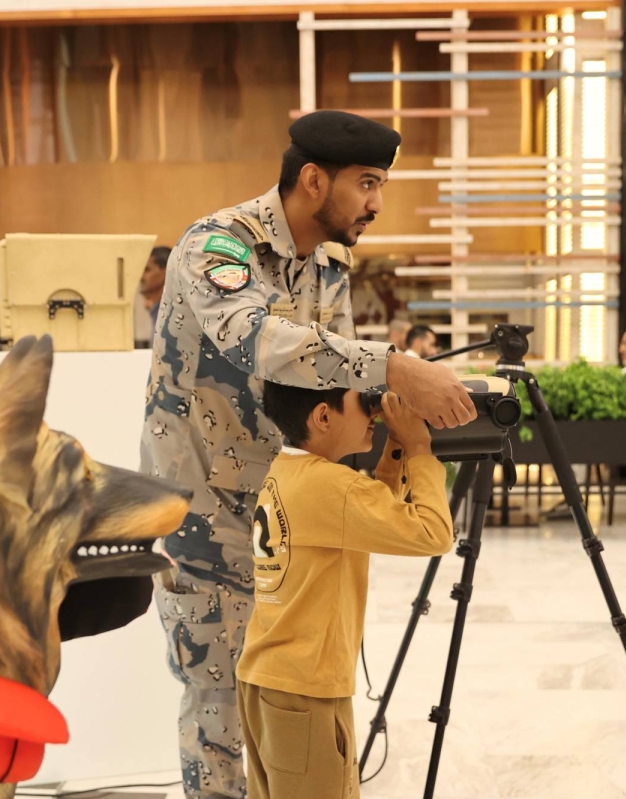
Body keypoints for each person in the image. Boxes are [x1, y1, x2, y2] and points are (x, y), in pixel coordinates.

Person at [140, 110, 475, 799]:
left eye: (381, 186)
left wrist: (399, 416)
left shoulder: (329, 264)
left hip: (290, 506)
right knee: (218, 701)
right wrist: (396, 365)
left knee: (283, 703)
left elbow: (332, 382)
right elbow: (254, 337)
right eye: (367, 183)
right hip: (205, 510)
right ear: (315, 181)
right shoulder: (217, 244)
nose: (377, 204)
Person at [237, 383, 453, 799]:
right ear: (323, 416)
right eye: (363, 401)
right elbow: (434, 533)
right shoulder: (333, 486)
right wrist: (419, 447)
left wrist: (397, 442)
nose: (373, 411)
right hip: (306, 692)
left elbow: (371, 511)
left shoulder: (287, 469)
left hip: (265, 679)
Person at [141, 245, 171, 330]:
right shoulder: (156, 312)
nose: (140, 276)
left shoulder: (173, 316)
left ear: (166, 272)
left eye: (147, 270)